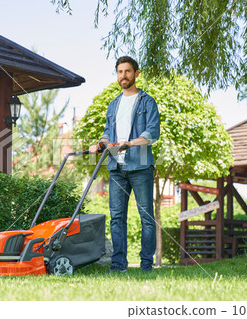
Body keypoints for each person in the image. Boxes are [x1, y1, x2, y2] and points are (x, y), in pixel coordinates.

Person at [89, 56, 160, 272]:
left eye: (128, 71)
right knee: (117, 218)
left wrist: (130, 144)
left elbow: (152, 133)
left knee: (146, 217)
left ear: (136, 74)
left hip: (140, 167)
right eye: (120, 72)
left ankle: (146, 265)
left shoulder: (147, 102)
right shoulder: (113, 105)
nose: (123, 76)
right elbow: (108, 132)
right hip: (117, 168)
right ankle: (118, 265)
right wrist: (100, 143)